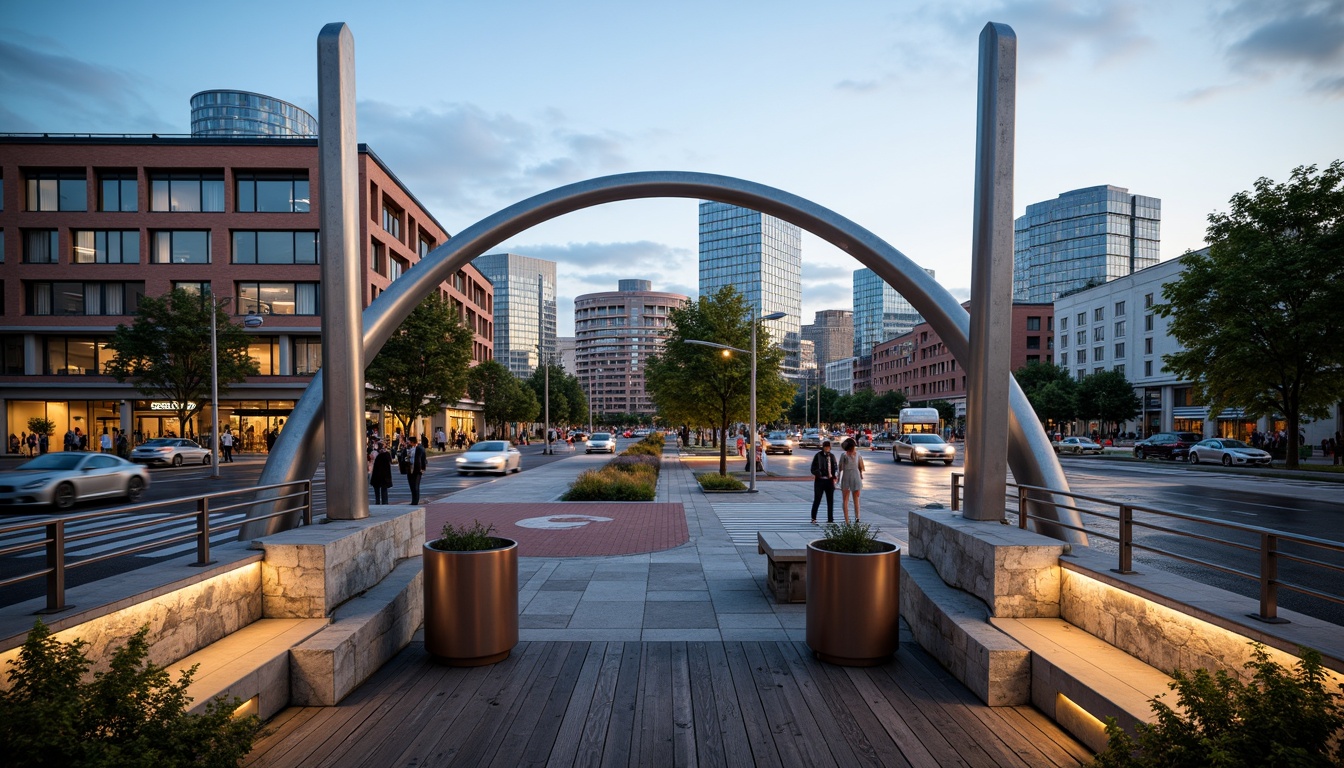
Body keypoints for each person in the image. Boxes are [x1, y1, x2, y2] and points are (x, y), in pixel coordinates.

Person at [809, 440, 839, 524]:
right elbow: (813, 468)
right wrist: (818, 473)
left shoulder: (832, 456)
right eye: (825, 447)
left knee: (830, 500)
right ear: (823, 447)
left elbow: (835, 467)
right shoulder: (818, 456)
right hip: (820, 481)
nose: (827, 448)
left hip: (829, 481)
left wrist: (835, 475)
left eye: (828, 447)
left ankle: (830, 519)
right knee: (817, 499)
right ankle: (813, 518)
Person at [838, 437, 866, 523]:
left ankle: (850, 519)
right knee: (854, 499)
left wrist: (838, 478)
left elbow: (840, 468)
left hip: (848, 477)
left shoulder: (845, 455)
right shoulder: (856, 455)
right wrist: (860, 476)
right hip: (854, 477)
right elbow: (860, 467)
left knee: (847, 500)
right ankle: (855, 518)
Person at [404, 435, 427, 505]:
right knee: (411, 485)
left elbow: (423, 459)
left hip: (417, 469)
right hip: (409, 469)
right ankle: (413, 500)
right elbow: (402, 458)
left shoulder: (420, 449)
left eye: (409, 442)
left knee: (415, 485)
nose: (408, 444)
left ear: (413, 442)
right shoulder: (407, 449)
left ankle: (415, 501)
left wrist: (423, 468)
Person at [370, 440, 393, 505]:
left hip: (377, 474)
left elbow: (371, 460)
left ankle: (378, 501)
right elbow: (390, 462)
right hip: (384, 475)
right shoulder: (386, 454)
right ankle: (384, 502)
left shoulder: (375, 453)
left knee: (377, 489)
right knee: (384, 489)